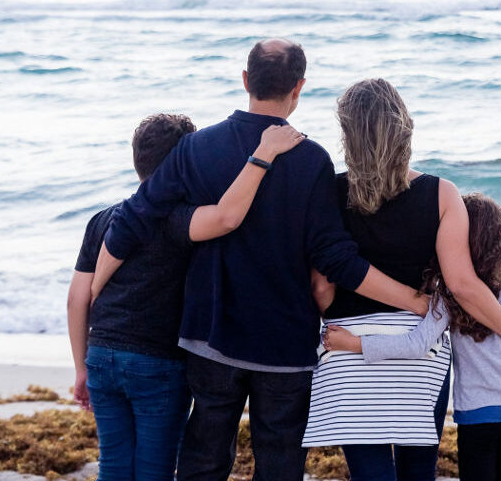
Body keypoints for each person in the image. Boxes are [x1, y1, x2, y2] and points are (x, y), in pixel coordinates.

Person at [90, 39, 430, 481]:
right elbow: (336, 259)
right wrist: (413, 300)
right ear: (299, 87)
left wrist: (95, 289)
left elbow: (135, 217)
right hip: (284, 345)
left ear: (246, 80)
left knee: (203, 461)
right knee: (280, 463)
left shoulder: (197, 148)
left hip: (210, 335)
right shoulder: (312, 161)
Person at [301, 79, 501, 481]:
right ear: (404, 127)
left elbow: (321, 289)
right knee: (419, 470)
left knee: (371, 474)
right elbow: (462, 284)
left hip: (350, 353)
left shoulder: (328, 192)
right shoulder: (442, 193)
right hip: (418, 354)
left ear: (348, 134)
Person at [67, 113, 305, 480]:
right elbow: (228, 216)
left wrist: (81, 366)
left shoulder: (103, 219)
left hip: (102, 356)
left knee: (113, 465)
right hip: (157, 362)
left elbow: (77, 299)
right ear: (185, 162)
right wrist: (263, 155)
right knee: (155, 469)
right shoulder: (179, 221)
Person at [325, 193, 501, 481]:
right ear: (500, 244)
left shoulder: (448, 296)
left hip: (477, 416)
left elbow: (416, 345)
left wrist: (354, 343)